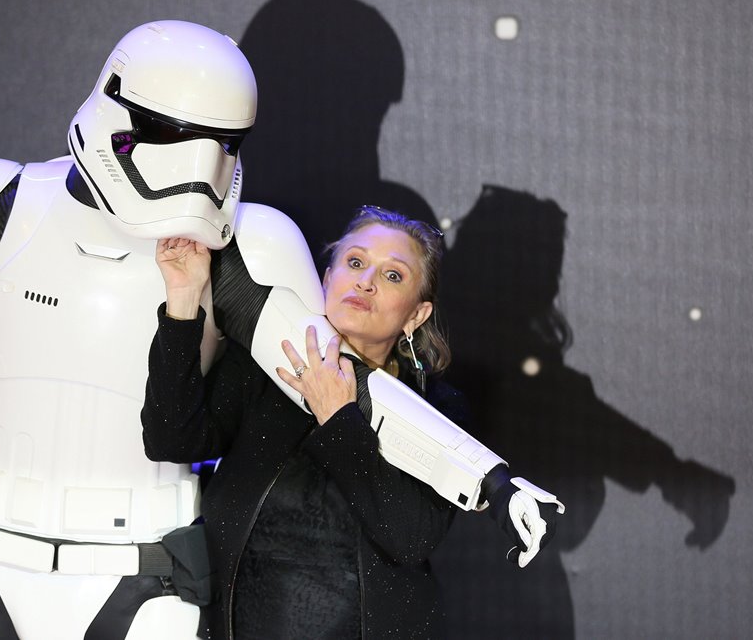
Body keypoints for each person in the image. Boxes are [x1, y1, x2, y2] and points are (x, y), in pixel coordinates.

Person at [0, 19, 558, 639]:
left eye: (223, 144)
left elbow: (336, 386)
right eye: (176, 133)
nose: (199, 167)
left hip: (146, 574)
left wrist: (488, 479)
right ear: (120, 110)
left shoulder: (247, 240)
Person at [142, 206, 556, 639]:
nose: (366, 281)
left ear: (416, 315)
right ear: (325, 278)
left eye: (393, 275)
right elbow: (172, 439)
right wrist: (185, 298)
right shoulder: (263, 368)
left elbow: (411, 537)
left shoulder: (438, 409)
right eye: (355, 263)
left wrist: (339, 418)